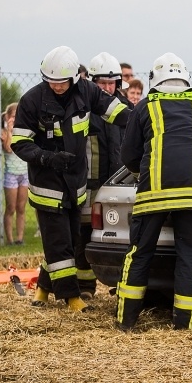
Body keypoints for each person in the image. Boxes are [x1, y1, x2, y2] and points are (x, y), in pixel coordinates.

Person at [116, 53, 192, 331]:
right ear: (186, 78)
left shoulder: (145, 107)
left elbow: (128, 155)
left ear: (153, 80)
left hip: (152, 196)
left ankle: (126, 322)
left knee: (139, 253)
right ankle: (184, 327)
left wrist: (145, 170)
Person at [11, 46, 131, 313]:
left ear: (75, 78)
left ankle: (43, 288)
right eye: (51, 82)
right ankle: (71, 298)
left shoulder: (86, 92)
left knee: (69, 239)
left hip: (75, 184)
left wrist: (138, 119)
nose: (57, 87)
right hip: (47, 185)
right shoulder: (31, 101)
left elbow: (113, 110)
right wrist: (46, 157)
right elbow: (18, 142)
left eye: (62, 82)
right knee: (60, 243)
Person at [79, 52, 128, 298]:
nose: (108, 88)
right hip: (91, 186)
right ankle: (85, 288)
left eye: (112, 83)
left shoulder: (127, 109)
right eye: (102, 83)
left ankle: (119, 285)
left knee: (121, 236)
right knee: (85, 235)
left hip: (120, 185)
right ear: (92, 82)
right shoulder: (84, 110)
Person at [1, 103, 28, 245]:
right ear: (7, 117)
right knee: (11, 207)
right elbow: (9, 148)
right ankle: (9, 239)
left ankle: (20, 238)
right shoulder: (4, 133)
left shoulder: (26, 131)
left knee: (21, 207)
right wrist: (10, 130)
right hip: (11, 173)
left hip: (24, 173)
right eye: (13, 116)